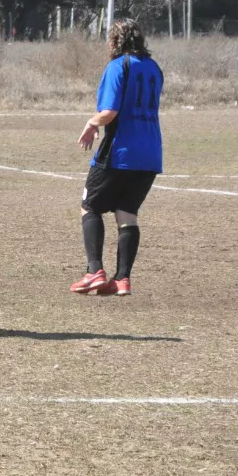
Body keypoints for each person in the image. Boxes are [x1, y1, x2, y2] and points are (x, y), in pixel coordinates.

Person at [70, 18, 163, 297]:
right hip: (150, 154)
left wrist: (91, 123)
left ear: (114, 41)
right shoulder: (154, 68)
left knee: (90, 207)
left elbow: (110, 111)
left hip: (120, 151)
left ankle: (94, 271)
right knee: (126, 214)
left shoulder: (118, 66)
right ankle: (122, 279)